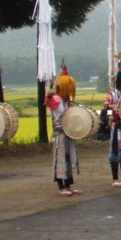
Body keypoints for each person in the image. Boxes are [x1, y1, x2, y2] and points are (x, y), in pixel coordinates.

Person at [45, 64, 81, 197]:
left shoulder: (66, 101)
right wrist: (49, 95)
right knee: (61, 160)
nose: (71, 88)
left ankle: (68, 185)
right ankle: (61, 186)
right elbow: (48, 101)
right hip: (60, 133)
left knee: (69, 158)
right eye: (69, 86)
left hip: (68, 133)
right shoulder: (56, 99)